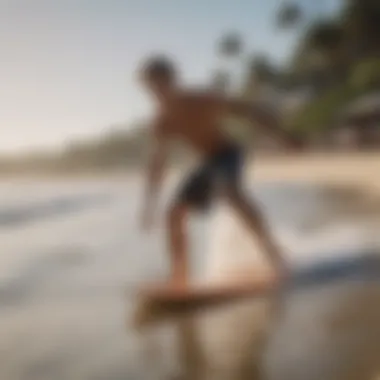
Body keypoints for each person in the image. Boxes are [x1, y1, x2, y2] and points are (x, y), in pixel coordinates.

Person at [139, 55, 296, 289]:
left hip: (228, 153)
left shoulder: (201, 100)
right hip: (206, 162)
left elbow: (248, 110)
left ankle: (273, 254)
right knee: (174, 214)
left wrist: (283, 135)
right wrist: (150, 204)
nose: (158, 93)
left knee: (229, 193)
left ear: (173, 81)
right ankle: (180, 276)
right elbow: (157, 163)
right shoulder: (162, 122)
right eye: (152, 88)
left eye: (162, 85)